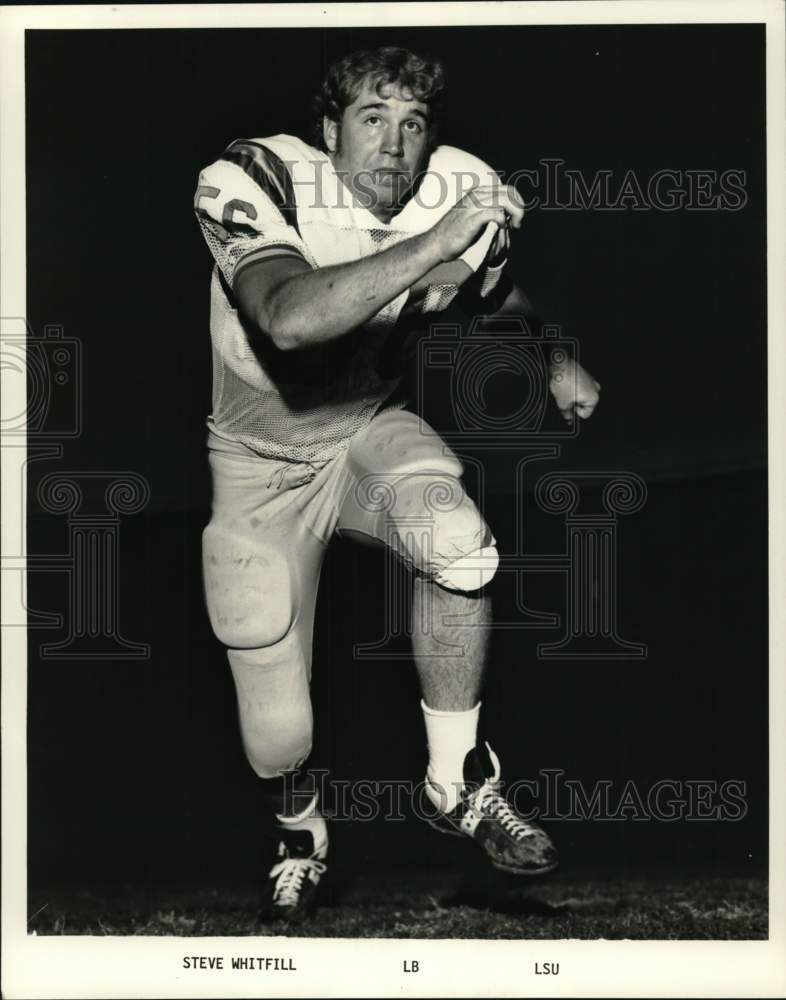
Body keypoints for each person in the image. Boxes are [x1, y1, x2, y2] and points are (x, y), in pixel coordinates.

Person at [194, 45, 600, 923]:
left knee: (459, 543)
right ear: (328, 128)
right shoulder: (254, 177)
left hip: (363, 431)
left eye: (414, 123)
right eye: (373, 119)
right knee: (277, 733)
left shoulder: (459, 190)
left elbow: (502, 296)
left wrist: (558, 358)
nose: (395, 146)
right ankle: (302, 833)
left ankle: (455, 782)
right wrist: (432, 243)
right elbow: (288, 319)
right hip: (259, 464)